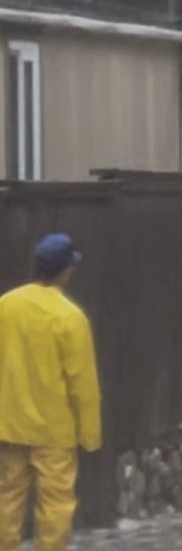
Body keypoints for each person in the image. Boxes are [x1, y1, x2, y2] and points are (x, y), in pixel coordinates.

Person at [0, 234, 101, 551]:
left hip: (10, 423)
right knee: (55, 506)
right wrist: (90, 435)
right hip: (54, 431)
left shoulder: (6, 306)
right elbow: (82, 383)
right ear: (65, 270)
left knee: (8, 498)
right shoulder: (70, 318)